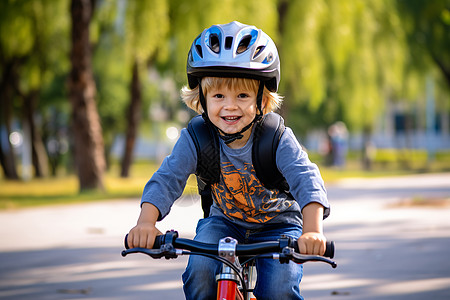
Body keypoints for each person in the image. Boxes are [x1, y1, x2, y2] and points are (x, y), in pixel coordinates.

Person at [127, 21, 330, 300]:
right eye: (219, 95)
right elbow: (167, 178)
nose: (230, 105)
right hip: (223, 222)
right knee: (200, 273)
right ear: (202, 98)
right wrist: (146, 223)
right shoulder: (197, 138)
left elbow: (306, 179)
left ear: (262, 100)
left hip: (278, 226)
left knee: (279, 288)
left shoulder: (276, 137)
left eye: (243, 95)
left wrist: (312, 231)